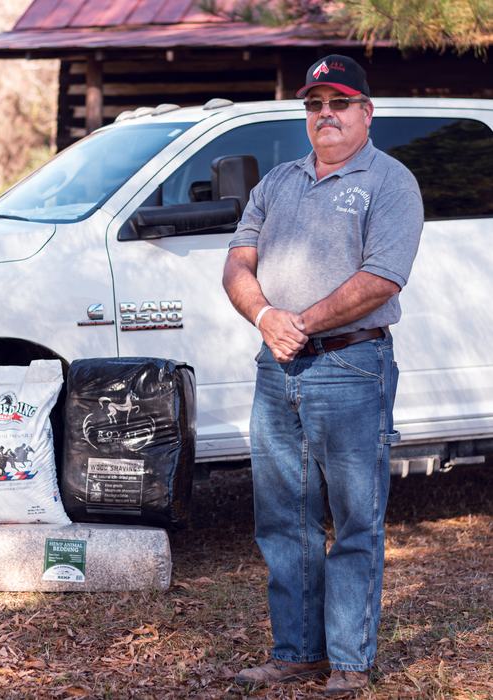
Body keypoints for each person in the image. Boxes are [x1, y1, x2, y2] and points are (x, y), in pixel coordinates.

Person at [222, 55, 424, 696]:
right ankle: (297, 653)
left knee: (355, 522)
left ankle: (349, 663)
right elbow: (236, 261)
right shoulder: (278, 182)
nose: (325, 114)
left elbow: (382, 279)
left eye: (339, 103)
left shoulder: (390, 183)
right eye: (315, 105)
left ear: (366, 112)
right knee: (283, 518)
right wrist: (264, 316)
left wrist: (299, 322)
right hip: (276, 366)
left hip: (351, 366)